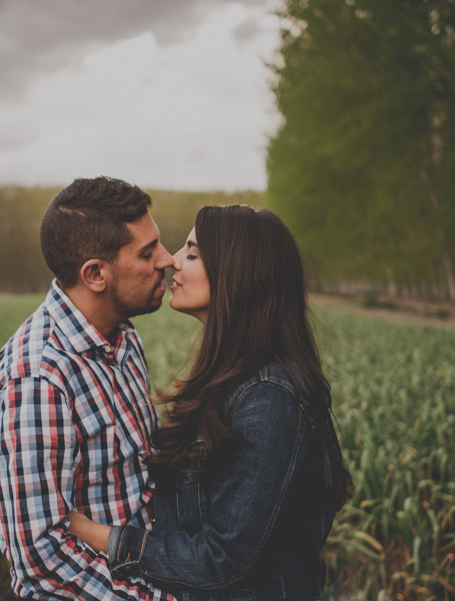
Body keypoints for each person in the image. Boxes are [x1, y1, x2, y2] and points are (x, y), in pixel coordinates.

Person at [68, 204, 355, 601]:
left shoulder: (269, 395)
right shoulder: (232, 374)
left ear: (238, 272)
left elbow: (223, 558)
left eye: (192, 253)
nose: (173, 261)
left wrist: (96, 534)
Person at [0, 177, 176, 601]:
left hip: (154, 569)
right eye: (147, 253)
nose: (168, 259)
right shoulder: (35, 381)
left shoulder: (122, 337)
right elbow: (43, 559)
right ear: (95, 274)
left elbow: (141, 479)